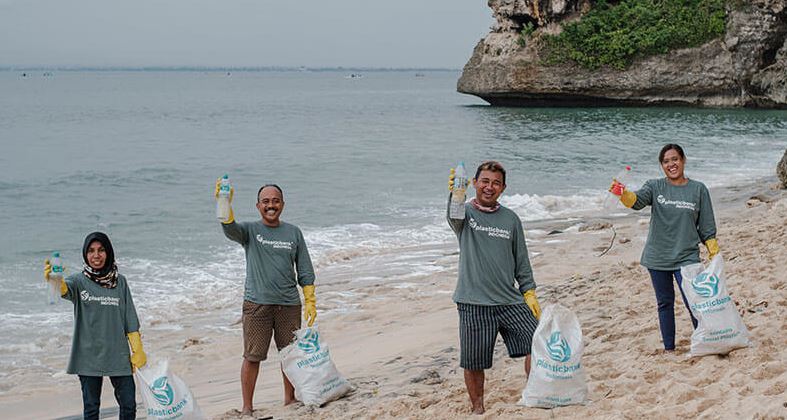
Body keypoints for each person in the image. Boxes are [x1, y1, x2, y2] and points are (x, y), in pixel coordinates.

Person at [446, 161, 541, 415]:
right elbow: (453, 213)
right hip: (473, 302)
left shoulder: (511, 219)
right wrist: (455, 193)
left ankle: (534, 393)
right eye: (485, 181)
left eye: (496, 183)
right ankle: (478, 408)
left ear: (503, 188)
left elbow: (521, 260)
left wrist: (529, 291)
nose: (490, 187)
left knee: (539, 343)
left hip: (510, 301)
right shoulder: (465, 214)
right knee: (474, 362)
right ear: (475, 183)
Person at [215, 180, 317, 416]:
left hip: (288, 304)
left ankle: (290, 398)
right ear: (258, 206)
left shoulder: (293, 232)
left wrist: (310, 299)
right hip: (257, 304)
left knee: (290, 354)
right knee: (252, 357)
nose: (271, 205)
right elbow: (230, 229)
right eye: (266, 202)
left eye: (276, 201)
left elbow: (304, 268)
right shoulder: (249, 231)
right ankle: (247, 407)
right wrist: (223, 202)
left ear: (283, 204)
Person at [610, 143, 719, 351]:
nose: (671, 164)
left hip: (687, 256)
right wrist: (622, 193)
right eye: (666, 161)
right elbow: (637, 202)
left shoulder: (698, 189)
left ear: (683, 160)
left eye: (675, 159)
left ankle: (705, 342)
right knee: (664, 303)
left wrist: (713, 249)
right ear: (662, 165)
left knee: (695, 302)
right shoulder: (655, 186)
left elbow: (706, 225)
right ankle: (669, 348)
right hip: (657, 257)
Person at [43, 232, 147, 420]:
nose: (96, 255)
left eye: (101, 250)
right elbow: (64, 290)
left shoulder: (120, 282)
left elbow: (130, 318)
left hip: (117, 354)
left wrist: (137, 350)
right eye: (91, 251)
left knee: (129, 405)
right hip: (88, 356)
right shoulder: (78, 281)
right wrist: (55, 280)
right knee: (91, 409)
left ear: (109, 253)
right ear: (85, 254)